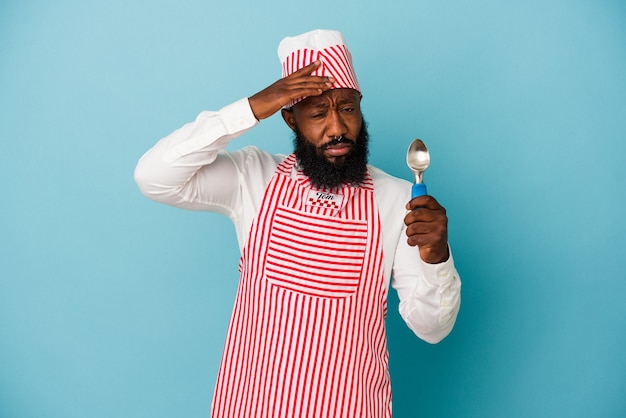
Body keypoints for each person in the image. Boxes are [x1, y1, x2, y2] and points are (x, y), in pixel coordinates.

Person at [134, 29, 461, 418]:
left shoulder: (399, 198)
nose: (337, 127)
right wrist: (251, 108)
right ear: (290, 118)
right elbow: (153, 176)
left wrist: (436, 258)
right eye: (319, 113)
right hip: (249, 407)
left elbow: (432, 328)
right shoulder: (253, 177)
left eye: (348, 109)